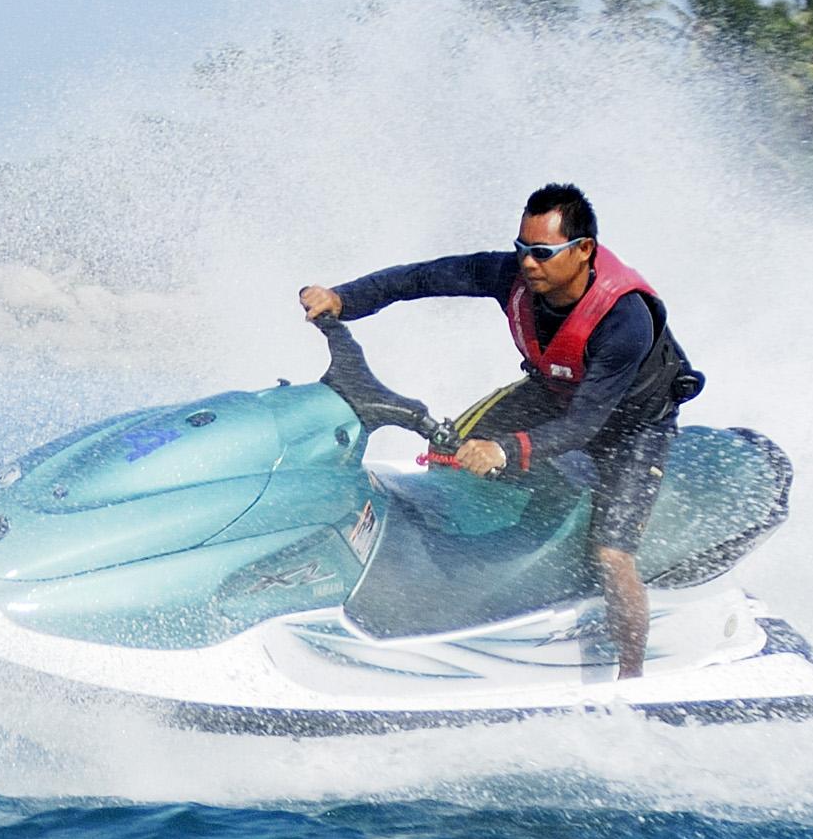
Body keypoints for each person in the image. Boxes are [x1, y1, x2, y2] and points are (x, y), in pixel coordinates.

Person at [296, 183, 695, 677]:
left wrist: (506, 450)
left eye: (543, 253)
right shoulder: (514, 276)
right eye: (522, 250)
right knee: (452, 451)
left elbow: (586, 424)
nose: (528, 264)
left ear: (584, 251)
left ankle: (633, 677)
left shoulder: (625, 320)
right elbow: (423, 278)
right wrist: (343, 297)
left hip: (632, 426)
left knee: (613, 554)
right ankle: (464, 578)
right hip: (558, 392)